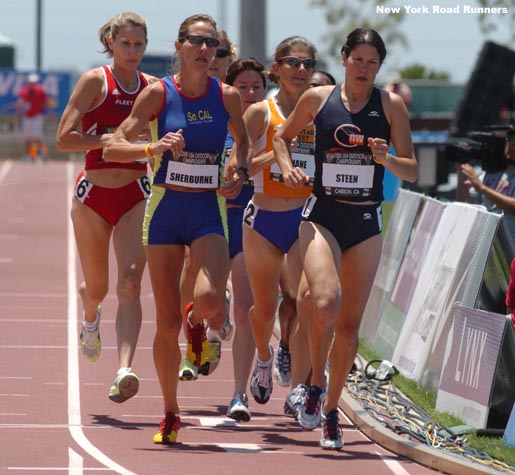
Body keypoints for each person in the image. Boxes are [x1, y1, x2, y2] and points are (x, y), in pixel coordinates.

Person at [103, 14, 250, 445]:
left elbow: (242, 145)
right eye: (198, 42)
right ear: (180, 46)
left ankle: (199, 323)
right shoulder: (156, 94)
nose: (206, 50)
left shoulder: (226, 97)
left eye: (213, 44)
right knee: (166, 323)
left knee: (207, 300)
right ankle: (170, 412)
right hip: (165, 212)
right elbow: (113, 146)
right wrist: (152, 146)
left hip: (208, 211)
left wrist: (238, 173)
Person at [273, 27, 418, 450]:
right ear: (343, 58)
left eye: (372, 62)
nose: (364, 68)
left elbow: (411, 170)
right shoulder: (318, 100)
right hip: (322, 216)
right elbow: (282, 139)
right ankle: (315, 383)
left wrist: (385, 157)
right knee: (324, 302)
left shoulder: (390, 106)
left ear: (379, 67)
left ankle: (331, 410)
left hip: (365, 222)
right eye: (358, 60)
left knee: (350, 328)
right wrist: (288, 168)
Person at [56, 12, 157, 404]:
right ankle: (90, 308)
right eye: (126, 44)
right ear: (111, 43)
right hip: (93, 198)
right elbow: (64, 139)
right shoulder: (96, 81)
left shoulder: (152, 89)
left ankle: (124, 370)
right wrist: (108, 142)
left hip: (135, 194)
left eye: (139, 45)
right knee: (98, 287)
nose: (133, 52)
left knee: (131, 284)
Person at [241, 36, 316, 409]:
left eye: (307, 63)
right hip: (263, 219)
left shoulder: (322, 113)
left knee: (303, 302)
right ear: (276, 69)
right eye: (292, 62)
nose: (300, 69)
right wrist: (277, 151)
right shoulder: (260, 112)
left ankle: (299, 387)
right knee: (265, 308)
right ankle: (264, 358)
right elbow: (236, 170)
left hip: (305, 219)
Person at [177, 29, 238, 381]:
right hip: (195, 201)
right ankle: (195, 345)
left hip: (235, 202)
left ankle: (219, 322)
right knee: (192, 273)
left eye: (220, 50)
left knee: (224, 283)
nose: (211, 56)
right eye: (204, 48)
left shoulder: (235, 97)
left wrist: (240, 170)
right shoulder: (182, 94)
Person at [222, 58, 267, 421]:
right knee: (234, 307)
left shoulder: (277, 123)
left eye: (257, 88)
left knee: (253, 309)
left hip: (268, 217)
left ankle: (250, 380)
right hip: (225, 215)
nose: (250, 94)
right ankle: (239, 391)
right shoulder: (220, 122)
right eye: (243, 88)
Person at [456, 127, 515, 244]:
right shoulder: (490, 174)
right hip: (489, 246)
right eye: (511, 141)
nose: (513, 146)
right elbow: (466, 205)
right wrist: (461, 172)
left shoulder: (482, 183)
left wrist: (482, 188)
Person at [17, 73, 52, 162]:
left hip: (37, 116)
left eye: (34, 82)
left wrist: (51, 112)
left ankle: (40, 154)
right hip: (27, 117)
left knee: (38, 136)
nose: (32, 84)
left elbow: (46, 102)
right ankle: (27, 155)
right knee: (26, 137)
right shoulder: (23, 91)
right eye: (31, 82)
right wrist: (20, 105)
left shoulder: (40, 90)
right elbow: (21, 101)